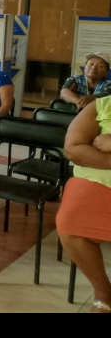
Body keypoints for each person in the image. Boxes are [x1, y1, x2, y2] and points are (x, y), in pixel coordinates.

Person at [57, 98, 111, 311]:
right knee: (69, 222)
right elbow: (73, 149)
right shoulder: (101, 105)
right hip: (96, 182)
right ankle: (104, 293)